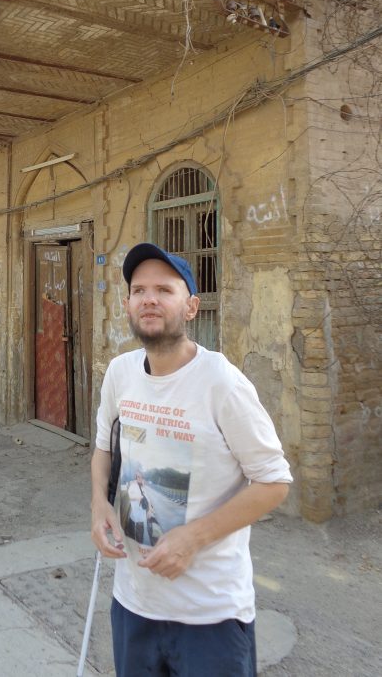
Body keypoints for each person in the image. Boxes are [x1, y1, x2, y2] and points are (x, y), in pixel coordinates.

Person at [91, 243, 292, 677]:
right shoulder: (120, 373)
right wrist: (98, 505)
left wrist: (193, 538)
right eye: (139, 290)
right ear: (127, 304)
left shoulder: (221, 382)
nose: (149, 299)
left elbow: (274, 481)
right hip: (133, 602)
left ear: (191, 307)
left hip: (210, 615)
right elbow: (104, 448)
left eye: (164, 289)